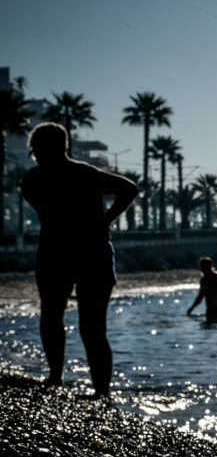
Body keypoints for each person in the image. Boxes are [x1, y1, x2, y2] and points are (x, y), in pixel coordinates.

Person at [21, 122, 139, 398]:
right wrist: (104, 220)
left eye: (36, 151)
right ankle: (96, 391)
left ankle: (60, 379)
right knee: (88, 325)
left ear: (44, 149)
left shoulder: (33, 180)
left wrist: (100, 221)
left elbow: (48, 213)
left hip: (59, 251)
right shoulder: (84, 174)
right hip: (89, 251)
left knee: (57, 316)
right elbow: (129, 189)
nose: (36, 156)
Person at [187, 257, 217, 322]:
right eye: (201, 266)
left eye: (204, 266)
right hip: (210, 309)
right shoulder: (203, 280)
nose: (203, 269)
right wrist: (192, 308)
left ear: (209, 266)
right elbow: (201, 296)